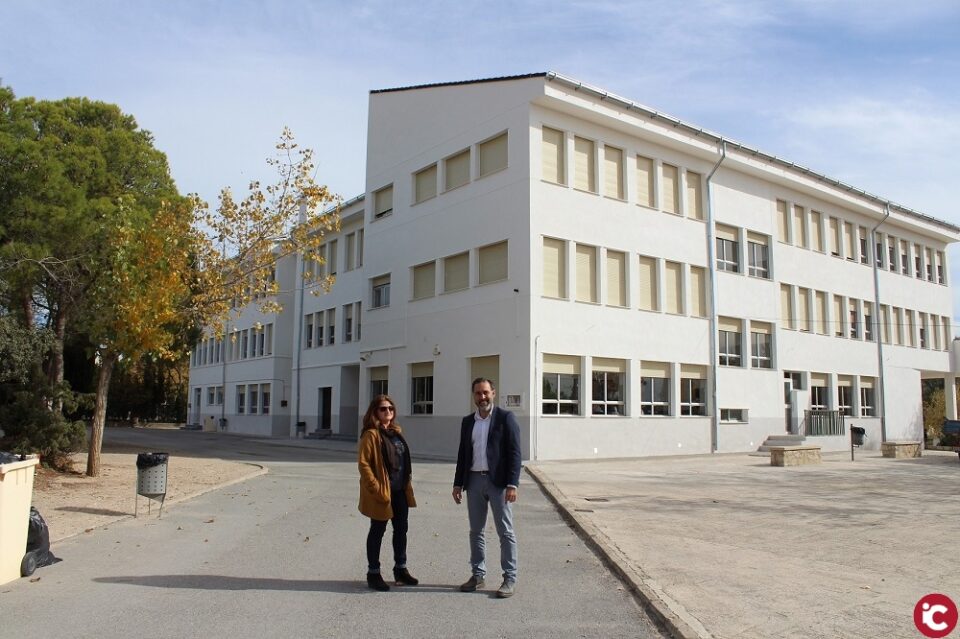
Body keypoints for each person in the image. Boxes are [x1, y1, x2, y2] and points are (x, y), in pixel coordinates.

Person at [452, 377, 522, 598]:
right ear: (473, 396)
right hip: (473, 481)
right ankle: (478, 574)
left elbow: (515, 453)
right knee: (476, 531)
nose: (482, 397)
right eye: (477, 393)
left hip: (499, 484)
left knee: (505, 532)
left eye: (485, 393)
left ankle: (509, 578)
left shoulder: (505, 418)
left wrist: (513, 483)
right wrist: (457, 483)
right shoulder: (468, 422)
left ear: (493, 393)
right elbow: (463, 454)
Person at [358, 394, 418, 591]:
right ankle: (373, 573)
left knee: (401, 530)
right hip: (383, 492)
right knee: (378, 530)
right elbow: (364, 464)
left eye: (391, 409)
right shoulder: (371, 435)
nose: (388, 412)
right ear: (375, 412)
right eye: (383, 409)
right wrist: (375, 487)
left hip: (400, 490)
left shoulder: (395, 433)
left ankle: (401, 569)